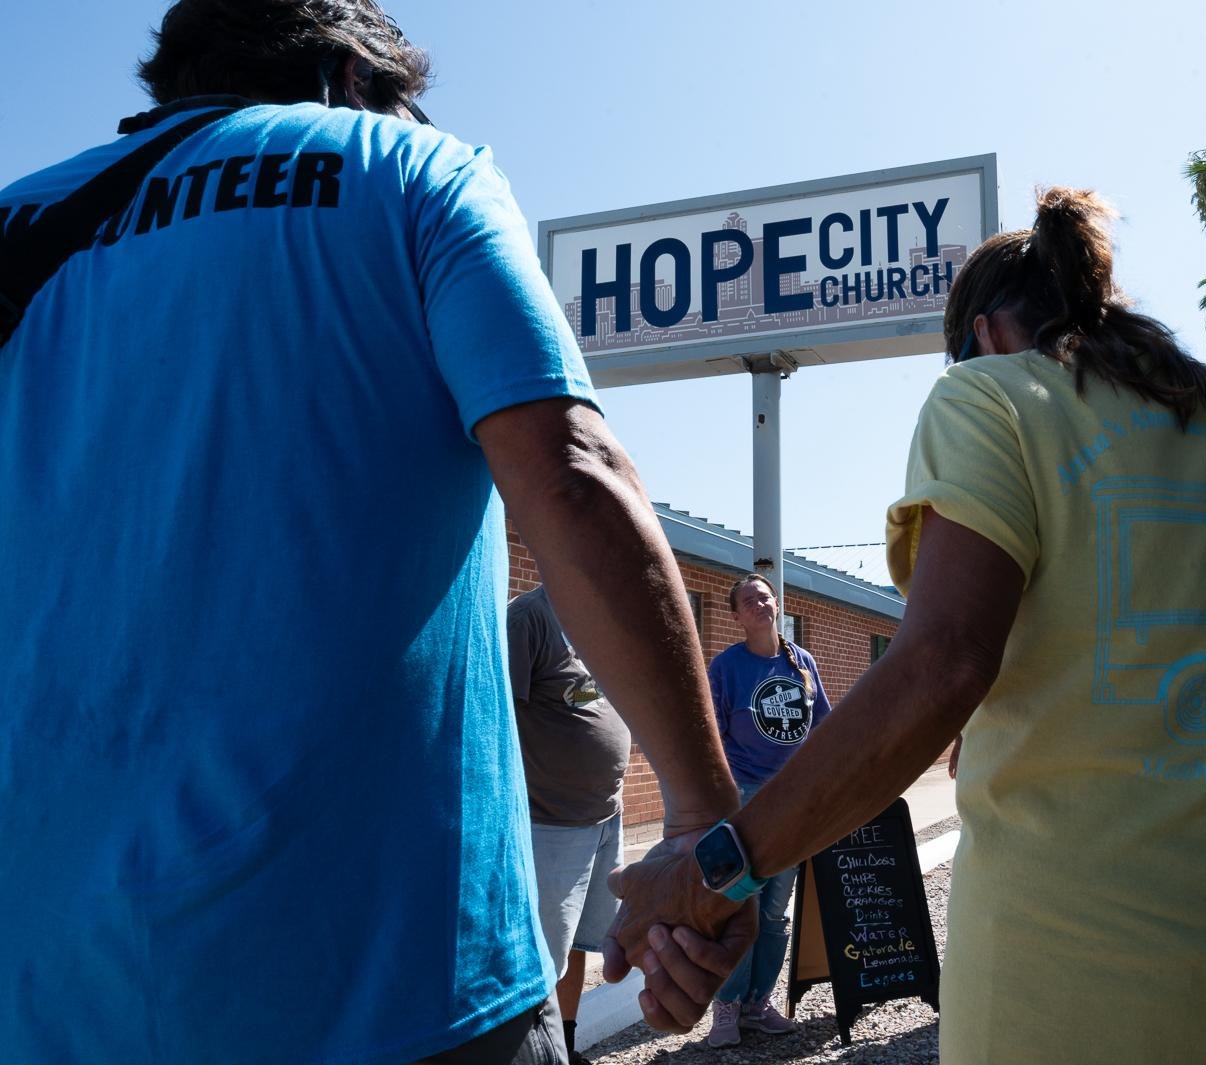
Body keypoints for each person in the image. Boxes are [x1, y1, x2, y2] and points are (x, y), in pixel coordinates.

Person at [0, 2, 749, 1062]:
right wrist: (705, 831)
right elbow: (571, 480)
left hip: (44, 995)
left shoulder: (19, 219)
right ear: (350, 74)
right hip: (397, 990)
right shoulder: (407, 169)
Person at [603, 186, 1206, 1063]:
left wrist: (715, 868)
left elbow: (943, 665)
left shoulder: (991, 402)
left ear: (987, 334)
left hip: (1068, 1000)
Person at [702, 574, 833, 1048]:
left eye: (765, 596)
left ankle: (759, 1004)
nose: (759, 603)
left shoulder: (802, 661)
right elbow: (712, 735)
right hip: (745, 799)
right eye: (748, 600)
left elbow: (823, 725)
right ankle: (727, 1008)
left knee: (776, 911)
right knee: (741, 905)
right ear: (735, 615)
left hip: (793, 800)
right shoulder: (726, 667)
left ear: (778, 604)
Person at [508, 586, 633, 1065]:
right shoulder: (528, 620)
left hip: (605, 816)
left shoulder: (598, 614)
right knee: (542, 957)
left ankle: (567, 1048)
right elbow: (500, 719)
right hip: (550, 825)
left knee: (579, 943)